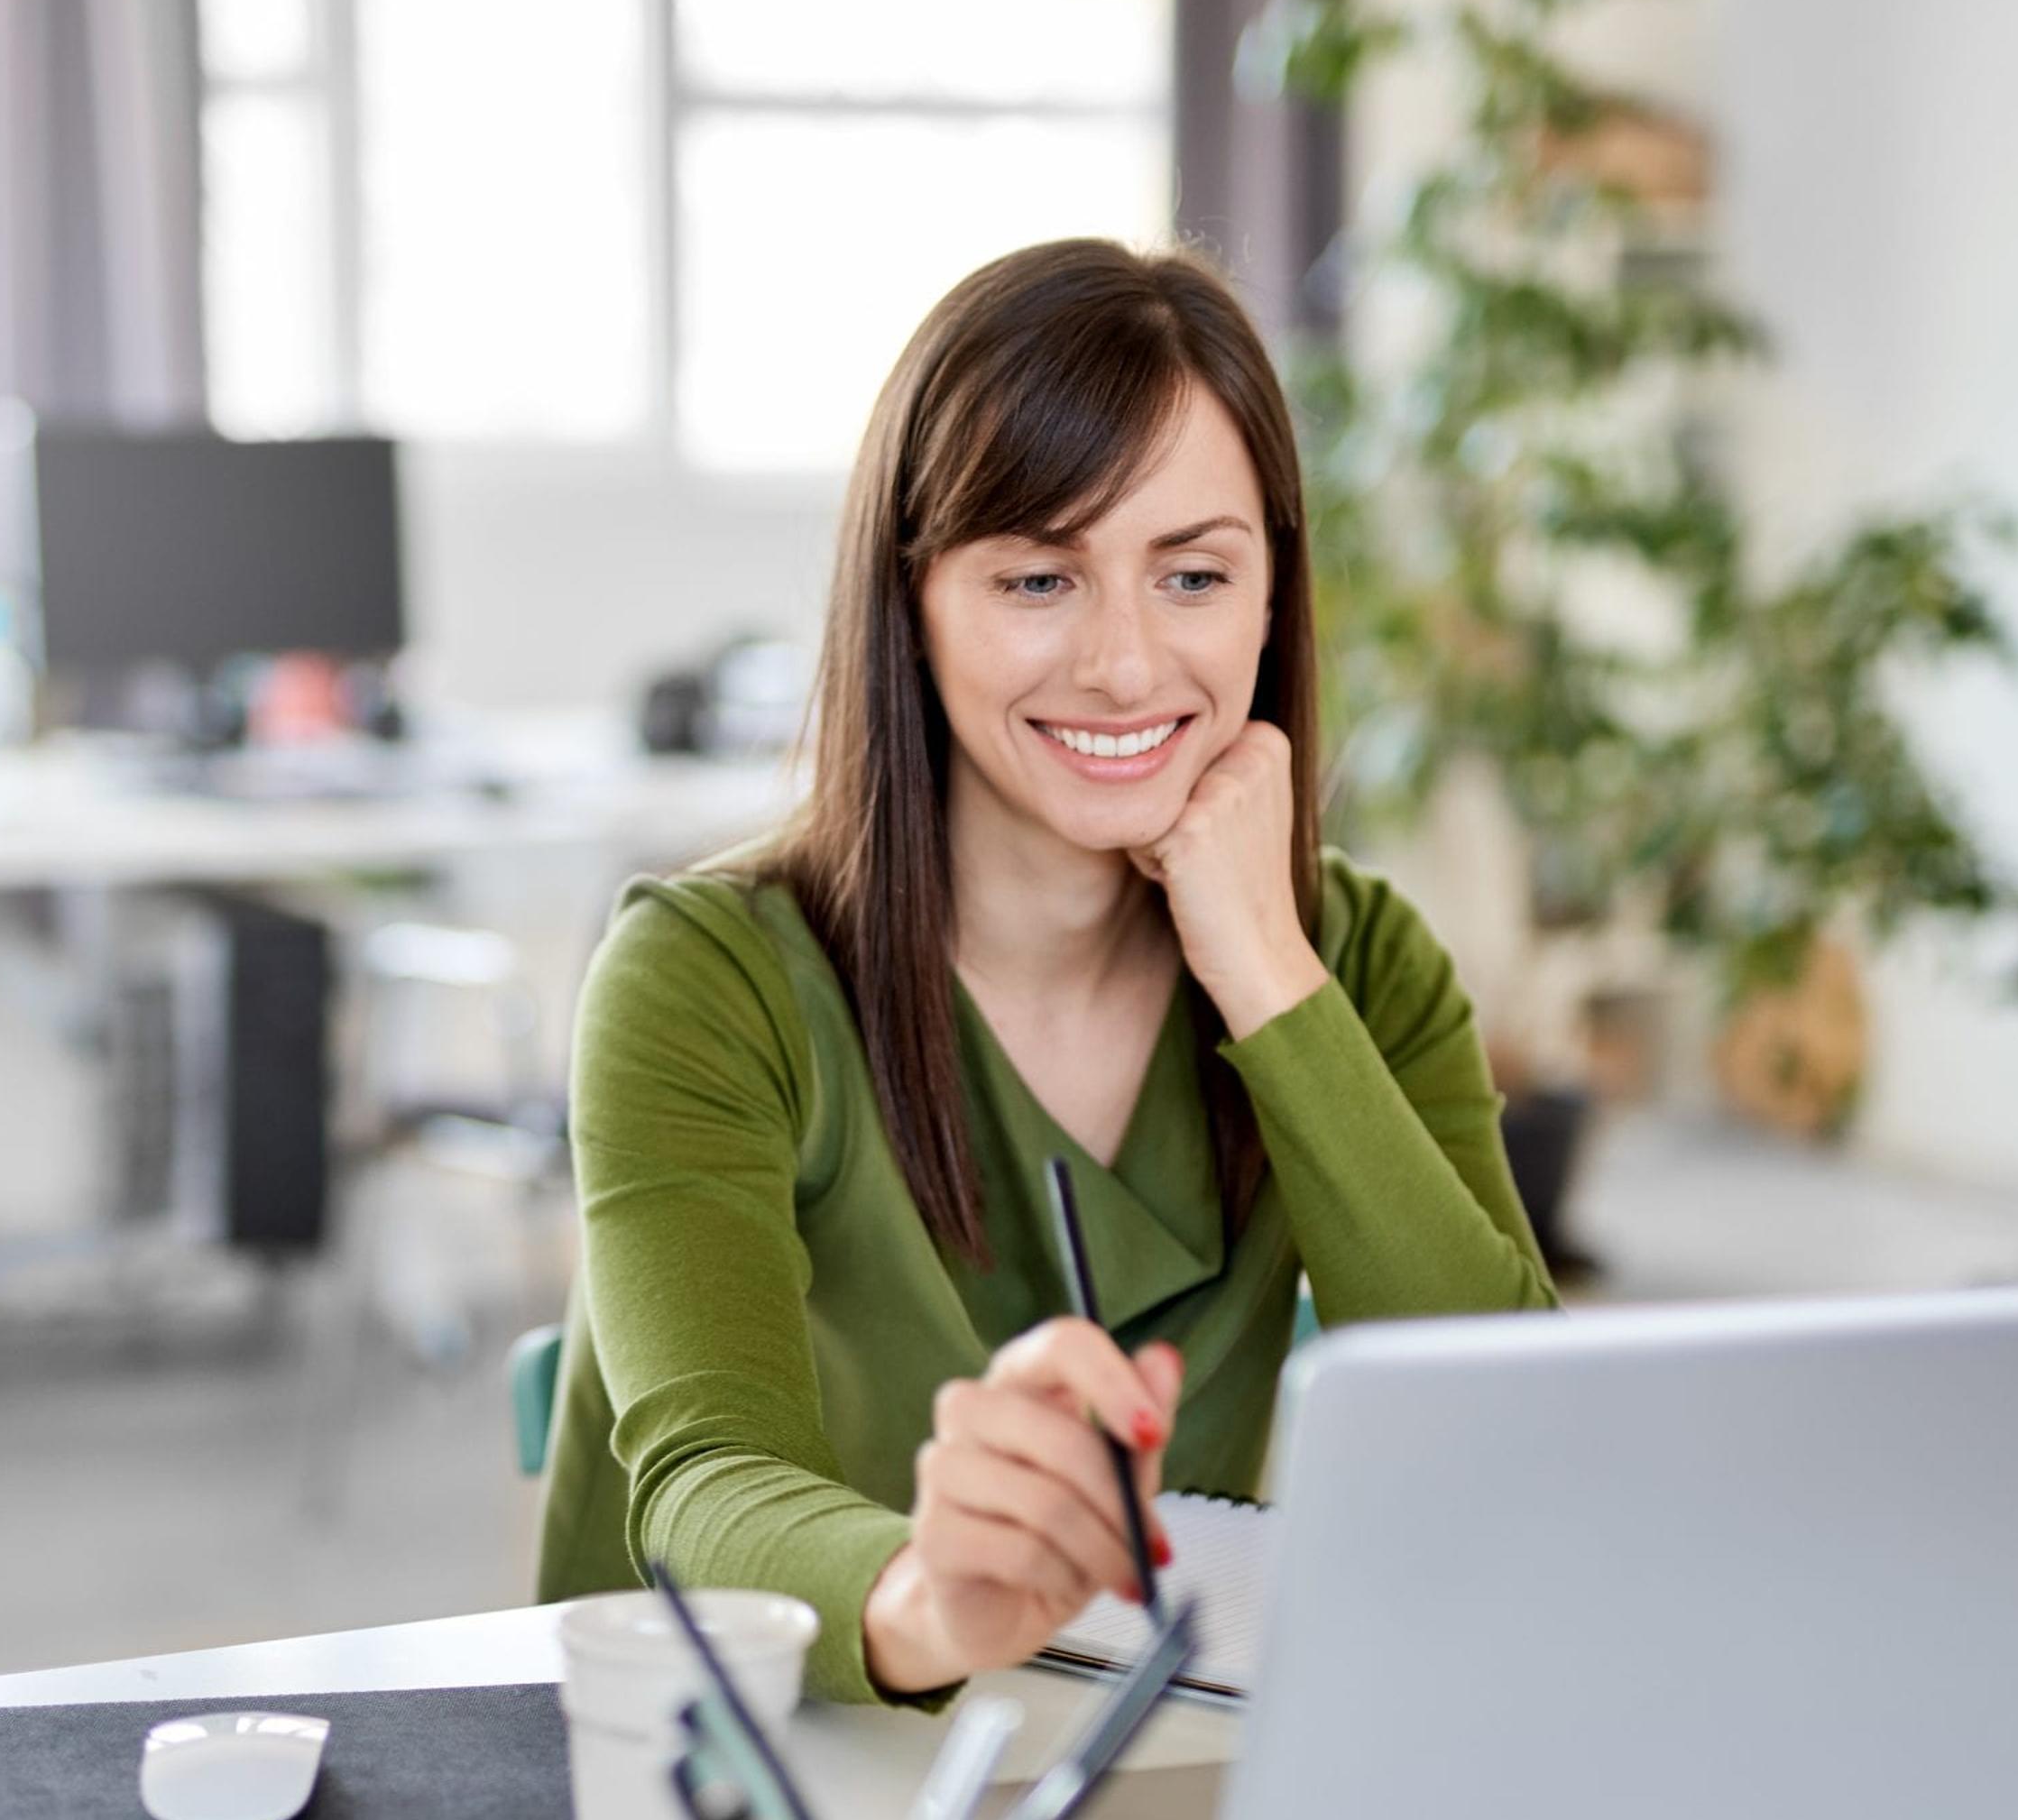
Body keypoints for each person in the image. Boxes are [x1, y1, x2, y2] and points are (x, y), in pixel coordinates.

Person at [534, 238, 1557, 1704]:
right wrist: (932, 1600)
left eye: (1194, 574)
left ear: (1272, 596)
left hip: (1124, 1760)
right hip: (739, 1766)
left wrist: (1266, 969)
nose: (1129, 667)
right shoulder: (705, 981)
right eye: (1038, 578)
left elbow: (1511, 1439)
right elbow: (705, 1490)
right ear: (917, 596)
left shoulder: (1360, 964)